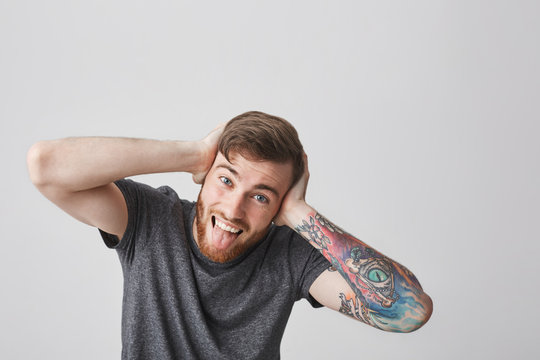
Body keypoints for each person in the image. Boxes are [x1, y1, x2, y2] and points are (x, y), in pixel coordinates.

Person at [27, 111, 433, 359]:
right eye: (225, 180)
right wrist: (194, 154)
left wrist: (298, 212)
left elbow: (408, 312)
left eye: (260, 196)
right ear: (204, 179)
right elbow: (45, 167)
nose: (234, 210)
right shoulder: (150, 219)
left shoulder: (291, 255)